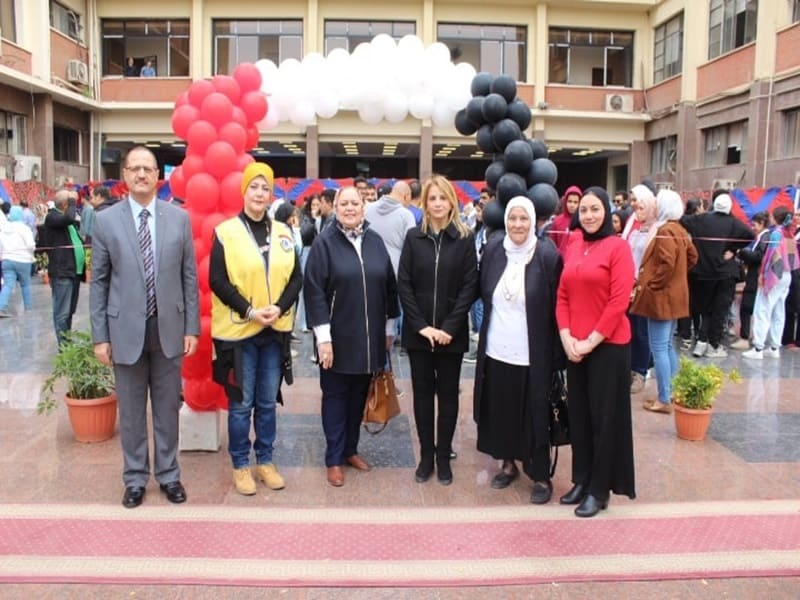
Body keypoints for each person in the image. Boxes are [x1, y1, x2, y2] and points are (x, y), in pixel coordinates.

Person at [90, 146, 200, 509]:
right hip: (124, 331)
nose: (141, 174)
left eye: (147, 169)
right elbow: (99, 283)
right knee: (133, 410)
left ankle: (169, 475)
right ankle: (135, 478)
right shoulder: (106, 221)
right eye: (134, 168)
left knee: (167, 408)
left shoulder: (178, 219)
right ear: (124, 175)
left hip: (168, 328)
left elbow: (188, 277)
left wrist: (191, 328)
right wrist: (100, 337)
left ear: (158, 176)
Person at [209, 162, 302, 496]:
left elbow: (296, 277)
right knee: (241, 404)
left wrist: (279, 307)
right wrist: (249, 311)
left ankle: (265, 460)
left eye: (266, 188)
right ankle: (240, 465)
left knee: (266, 402)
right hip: (239, 333)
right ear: (244, 191)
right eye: (254, 187)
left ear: (272, 193)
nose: (260, 193)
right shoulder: (226, 231)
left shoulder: (283, 232)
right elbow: (217, 280)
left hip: (274, 332)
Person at [303, 186, 400, 488]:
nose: (349, 208)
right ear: (336, 207)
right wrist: (323, 338)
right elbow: (314, 291)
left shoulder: (374, 241)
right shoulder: (324, 243)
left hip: (370, 338)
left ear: (363, 206)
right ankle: (333, 458)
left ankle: (350, 450)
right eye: (343, 203)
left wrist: (388, 330)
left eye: (354, 203)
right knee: (335, 397)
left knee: (359, 397)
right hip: (336, 338)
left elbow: (389, 287)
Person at [473, 196, 563, 504]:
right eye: (513, 218)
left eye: (524, 219)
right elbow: (479, 290)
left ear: (534, 221)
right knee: (502, 412)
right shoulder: (496, 250)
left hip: (533, 352)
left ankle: (540, 475)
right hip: (497, 350)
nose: (518, 225)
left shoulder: (547, 255)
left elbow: (557, 305)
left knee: (534, 414)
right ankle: (508, 465)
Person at [556, 186, 636, 518]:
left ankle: (599, 489)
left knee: (604, 420)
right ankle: (581, 479)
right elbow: (562, 295)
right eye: (584, 210)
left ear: (607, 212)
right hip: (575, 348)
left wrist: (590, 341)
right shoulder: (575, 244)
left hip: (608, 347)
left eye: (595, 209)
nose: (588, 216)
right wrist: (566, 338)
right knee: (580, 417)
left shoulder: (618, 248)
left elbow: (619, 301)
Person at [397, 175, 478, 485]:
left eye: (443, 198)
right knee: (421, 398)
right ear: (425, 203)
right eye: (433, 199)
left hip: (450, 336)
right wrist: (421, 326)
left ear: (451, 202)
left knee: (447, 398)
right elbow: (404, 283)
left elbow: (470, 286)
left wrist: (448, 328)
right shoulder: (412, 237)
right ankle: (426, 457)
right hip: (419, 336)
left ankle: (444, 457)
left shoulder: (465, 238)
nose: (438, 204)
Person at [629, 190, 698, 414]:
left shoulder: (666, 230)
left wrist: (653, 285)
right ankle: (674, 391)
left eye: (658, 203)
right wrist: (677, 276)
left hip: (661, 299)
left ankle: (664, 397)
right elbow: (692, 257)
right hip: (674, 297)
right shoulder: (679, 229)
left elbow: (667, 264)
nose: (655, 206)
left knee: (658, 348)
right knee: (667, 346)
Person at [681, 192, 753, 358]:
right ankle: (713, 345)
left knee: (705, 310)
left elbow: (683, 220)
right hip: (723, 273)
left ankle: (702, 341)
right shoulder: (733, 223)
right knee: (718, 311)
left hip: (702, 273)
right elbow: (750, 235)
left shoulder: (700, 219)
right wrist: (733, 249)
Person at [743, 206, 799, 359]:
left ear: (776, 217)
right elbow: (793, 259)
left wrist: (764, 274)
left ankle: (758, 347)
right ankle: (775, 346)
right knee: (778, 310)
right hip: (786, 274)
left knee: (763, 309)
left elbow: (770, 256)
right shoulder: (789, 234)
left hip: (775, 273)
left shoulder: (776, 234)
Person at [625, 184, 658, 395]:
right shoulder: (632, 224)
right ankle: (638, 364)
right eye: (633, 200)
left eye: (638, 200)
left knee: (642, 331)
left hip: (645, 287)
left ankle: (639, 371)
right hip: (629, 284)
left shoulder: (658, 227)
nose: (635, 204)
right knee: (631, 328)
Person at [42, 189, 85, 347]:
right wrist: (72, 202)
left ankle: (67, 343)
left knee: (70, 312)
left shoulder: (66, 220)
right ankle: (64, 349)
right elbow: (68, 217)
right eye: (72, 203)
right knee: (62, 313)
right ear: (66, 204)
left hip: (74, 272)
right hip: (62, 272)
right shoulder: (53, 216)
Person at [731, 212, 770, 350]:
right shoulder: (762, 237)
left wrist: (742, 252)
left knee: (747, 307)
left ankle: (745, 337)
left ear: (762, 223)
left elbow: (758, 256)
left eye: (754, 224)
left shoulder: (765, 238)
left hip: (756, 276)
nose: (752, 227)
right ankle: (750, 335)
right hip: (754, 275)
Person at [0, 206, 36, 317]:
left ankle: (1, 307)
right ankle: (28, 309)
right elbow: (30, 245)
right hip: (23, 260)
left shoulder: (4, 229)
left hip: (7, 259)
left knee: (7, 285)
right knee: (25, 285)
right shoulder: (24, 228)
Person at [548, 185, 581, 253]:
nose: (572, 205)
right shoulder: (557, 221)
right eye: (570, 201)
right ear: (565, 201)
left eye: (575, 202)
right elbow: (552, 244)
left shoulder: (584, 221)